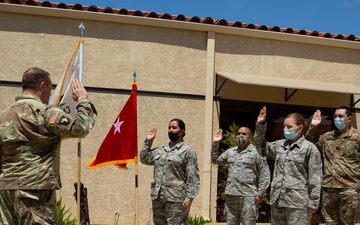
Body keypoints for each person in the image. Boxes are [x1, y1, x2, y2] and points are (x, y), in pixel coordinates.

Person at [0, 67, 97, 224]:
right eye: (50, 88)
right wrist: (83, 100)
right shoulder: (45, 113)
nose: (50, 93)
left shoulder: (3, 115)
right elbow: (81, 127)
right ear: (42, 86)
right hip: (35, 189)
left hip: (7, 190)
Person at [255, 106, 322, 225]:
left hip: (298, 203)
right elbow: (261, 148)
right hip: (278, 200)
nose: (285, 129)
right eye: (284, 126)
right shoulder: (279, 145)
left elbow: (315, 177)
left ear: (300, 128)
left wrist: (313, 202)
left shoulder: (309, 148)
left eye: (289, 127)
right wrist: (260, 125)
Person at [140, 118, 200, 225]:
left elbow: (193, 177)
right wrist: (149, 141)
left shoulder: (188, 151)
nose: (170, 130)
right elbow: (144, 158)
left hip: (177, 199)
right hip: (158, 197)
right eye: (169, 128)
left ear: (182, 131)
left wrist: (189, 198)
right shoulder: (161, 149)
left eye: (174, 128)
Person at [306, 107, 360, 225]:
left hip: (349, 188)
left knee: (347, 222)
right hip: (329, 188)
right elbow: (308, 144)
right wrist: (313, 126)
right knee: (329, 222)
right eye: (335, 116)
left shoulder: (357, 137)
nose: (337, 119)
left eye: (340, 116)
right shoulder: (327, 137)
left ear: (349, 119)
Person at [211, 126, 270, 225]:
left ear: (250, 137)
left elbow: (265, 173)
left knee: (248, 222)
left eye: (243, 134)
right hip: (231, 195)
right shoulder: (230, 152)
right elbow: (215, 160)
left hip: (248, 196)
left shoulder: (257, 153)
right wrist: (215, 143)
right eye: (238, 134)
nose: (240, 136)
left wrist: (260, 193)